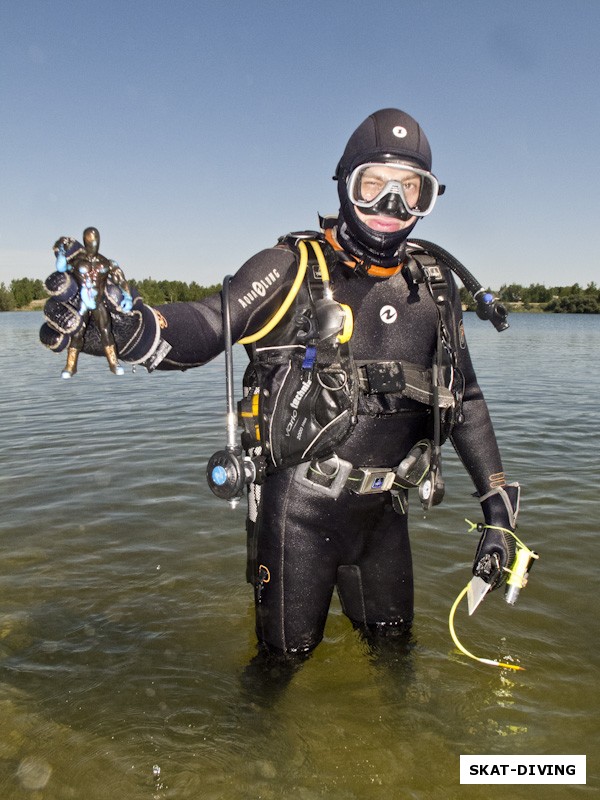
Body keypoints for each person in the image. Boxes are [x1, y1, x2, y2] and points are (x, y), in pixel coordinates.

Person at [41, 108, 519, 673]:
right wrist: (132, 327)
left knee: (397, 658)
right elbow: (205, 324)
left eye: (411, 191)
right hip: (301, 513)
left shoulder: (435, 287)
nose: (393, 208)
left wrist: (498, 510)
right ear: (344, 183)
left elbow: (463, 399)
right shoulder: (289, 268)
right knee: (279, 669)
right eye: (375, 186)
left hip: (386, 516)